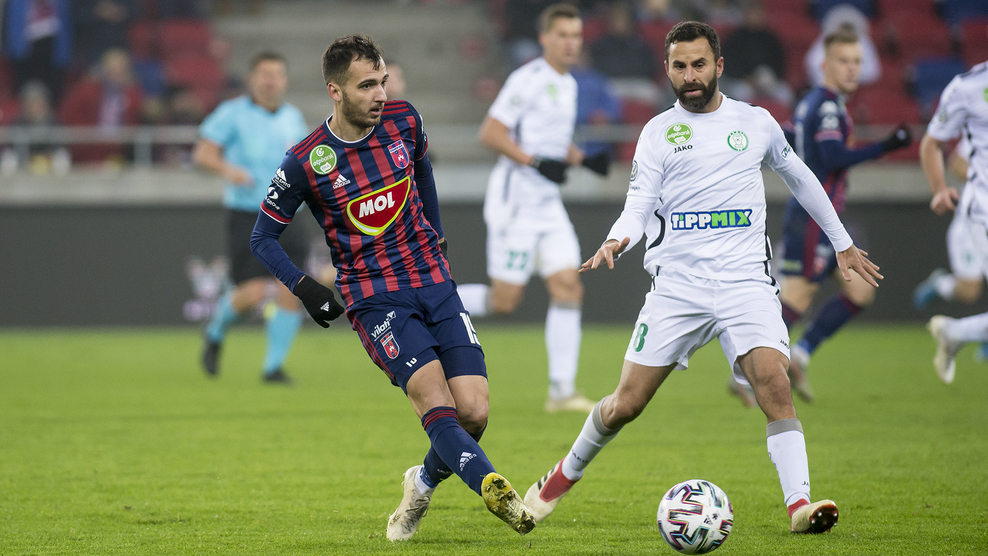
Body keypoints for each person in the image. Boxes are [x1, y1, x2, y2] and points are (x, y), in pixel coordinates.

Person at [523, 21, 882, 535]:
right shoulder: (656, 132)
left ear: (718, 66)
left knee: (773, 382)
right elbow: (637, 205)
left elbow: (801, 178)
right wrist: (616, 239)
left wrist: (841, 241)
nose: (689, 76)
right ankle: (559, 478)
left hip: (745, 283)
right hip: (678, 288)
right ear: (667, 70)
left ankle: (799, 506)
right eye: (679, 66)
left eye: (698, 65)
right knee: (625, 404)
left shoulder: (755, 123)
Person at [248, 34, 536, 540]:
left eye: (382, 82)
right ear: (335, 91)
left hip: (433, 279)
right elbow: (262, 237)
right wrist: (304, 287)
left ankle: (419, 484)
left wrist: (437, 233)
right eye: (367, 86)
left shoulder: (405, 120)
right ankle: (492, 486)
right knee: (434, 399)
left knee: (473, 412)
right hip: (375, 296)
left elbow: (422, 169)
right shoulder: (307, 160)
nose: (381, 94)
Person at [741, 27, 910, 406]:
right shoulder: (829, 107)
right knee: (797, 298)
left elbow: (788, 138)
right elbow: (832, 157)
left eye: (857, 61)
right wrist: (886, 145)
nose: (852, 69)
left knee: (860, 290)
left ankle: (800, 353)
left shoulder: (809, 103)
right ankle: (747, 370)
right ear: (825, 65)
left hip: (824, 219)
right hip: (813, 217)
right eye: (843, 61)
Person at [458, 4, 610, 414]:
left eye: (576, 36)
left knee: (569, 286)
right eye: (562, 35)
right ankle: (427, 301)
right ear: (544, 38)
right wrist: (535, 163)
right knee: (505, 301)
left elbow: (550, 141)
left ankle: (561, 391)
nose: (570, 43)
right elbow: (491, 132)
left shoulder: (569, 84)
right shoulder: (527, 79)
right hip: (517, 203)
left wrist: (582, 159)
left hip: (548, 205)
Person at [193, 51, 309, 384]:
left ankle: (273, 367)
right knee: (254, 292)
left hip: (289, 214)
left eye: (277, 74)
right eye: (265, 74)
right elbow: (203, 154)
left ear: (285, 81)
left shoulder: (293, 118)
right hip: (249, 214)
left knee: (292, 288)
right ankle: (215, 331)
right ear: (251, 79)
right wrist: (229, 170)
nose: (271, 81)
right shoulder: (232, 114)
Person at [921, 57, 988, 385]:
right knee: (968, 289)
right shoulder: (969, 87)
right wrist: (939, 189)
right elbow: (933, 144)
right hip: (981, 211)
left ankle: (956, 331)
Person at [58, 48, 144, 165]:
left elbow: (134, 125)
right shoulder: (85, 91)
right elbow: (69, 117)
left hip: (119, 155)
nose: (116, 74)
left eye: (121, 70)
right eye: (113, 70)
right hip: (87, 153)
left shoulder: (133, 95)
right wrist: (96, 140)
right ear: (104, 70)